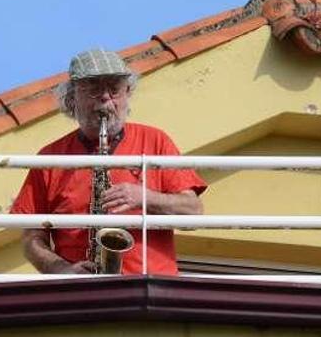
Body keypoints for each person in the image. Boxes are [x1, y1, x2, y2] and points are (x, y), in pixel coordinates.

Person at [11, 48, 206, 275]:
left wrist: (144, 197)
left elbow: (193, 212)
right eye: (94, 90)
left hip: (149, 286)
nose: (106, 98)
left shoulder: (156, 140)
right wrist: (62, 270)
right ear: (72, 98)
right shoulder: (50, 158)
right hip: (81, 291)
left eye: (114, 90)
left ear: (127, 93)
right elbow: (31, 239)